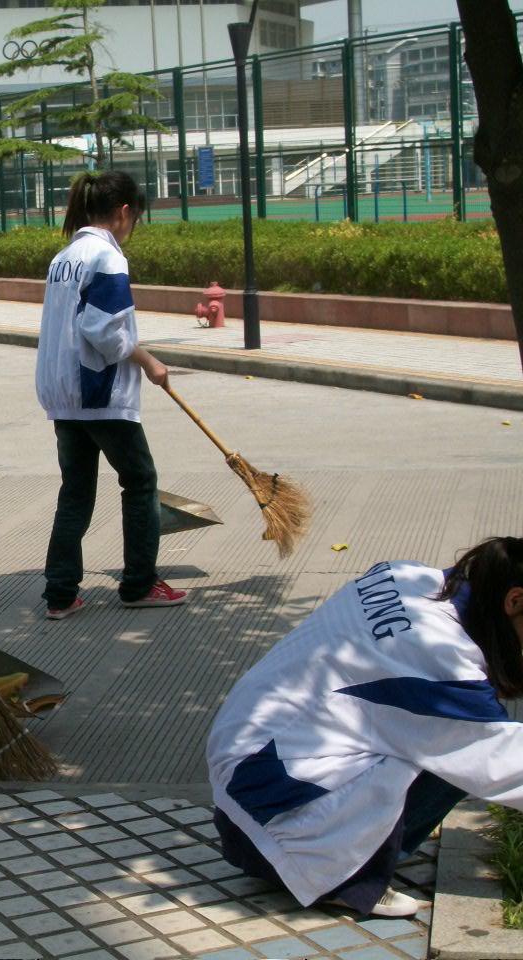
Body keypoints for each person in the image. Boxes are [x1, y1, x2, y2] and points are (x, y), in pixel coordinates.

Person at [208, 537, 523, 918]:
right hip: (277, 826)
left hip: (246, 782)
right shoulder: (442, 663)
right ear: (515, 601)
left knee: (450, 730)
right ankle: (349, 881)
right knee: (461, 746)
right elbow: (504, 763)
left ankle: (362, 839)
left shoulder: (410, 576)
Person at [36, 170, 185, 620]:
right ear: (124, 213)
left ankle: (60, 594)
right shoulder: (107, 258)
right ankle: (139, 582)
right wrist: (148, 360)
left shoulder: (64, 256)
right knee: (140, 480)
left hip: (65, 395)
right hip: (98, 392)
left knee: (76, 491)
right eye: (135, 217)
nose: (133, 226)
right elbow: (104, 331)